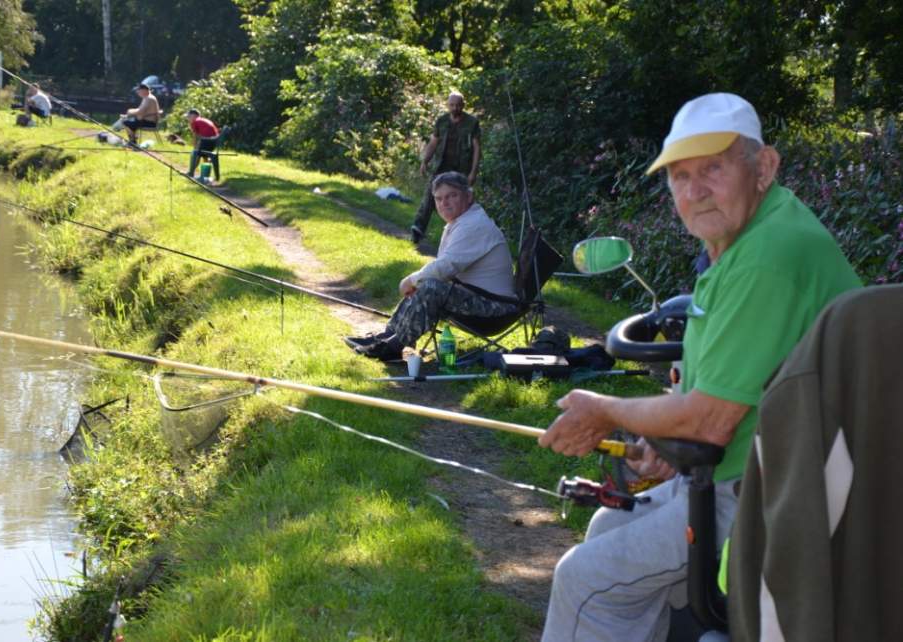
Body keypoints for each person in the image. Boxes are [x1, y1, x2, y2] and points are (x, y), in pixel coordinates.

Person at [538, 92, 861, 641]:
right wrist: (665, 448)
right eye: (680, 177)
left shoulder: (768, 257)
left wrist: (602, 410)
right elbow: (721, 402)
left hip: (777, 499)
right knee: (607, 522)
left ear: (764, 167)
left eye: (713, 168)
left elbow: (711, 421)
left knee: (584, 578)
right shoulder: (744, 243)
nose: (695, 191)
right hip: (748, 471)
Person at [346, 171, 518, 361]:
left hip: (495, 310)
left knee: (430, 286)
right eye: (439, 199)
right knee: (427, 283)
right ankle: (388, 336)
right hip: (480, 298)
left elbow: (445, 267)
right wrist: (416, 282)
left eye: (452, 196)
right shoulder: (462, 221)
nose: (444, 203)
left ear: (468, 196)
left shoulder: (474, 225)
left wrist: (410, 280)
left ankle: (394, 346)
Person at [411, 92, 481, 244]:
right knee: (430, 196)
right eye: (452, 105)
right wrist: (425, 161)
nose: (455, 108)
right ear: (448, 105)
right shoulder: (442, 121)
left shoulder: (472, 123)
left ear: (463, 105)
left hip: (461, 168)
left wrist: (473, 172)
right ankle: (418, 228)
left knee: (461, 203)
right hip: (441, 166)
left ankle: (460, 236)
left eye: (458, 105)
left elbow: (477, 148)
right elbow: (433, 142)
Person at [184, 108, 221, 180]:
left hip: (208, 141)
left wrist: (195, 148)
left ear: (193, 116)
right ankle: (205, 174)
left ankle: (191, 172)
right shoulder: (202, 120)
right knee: (201, 153)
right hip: (213, 142)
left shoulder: (195, 122)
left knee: (196, 153)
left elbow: (195, 136)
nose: (188, 119)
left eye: (189, 117)